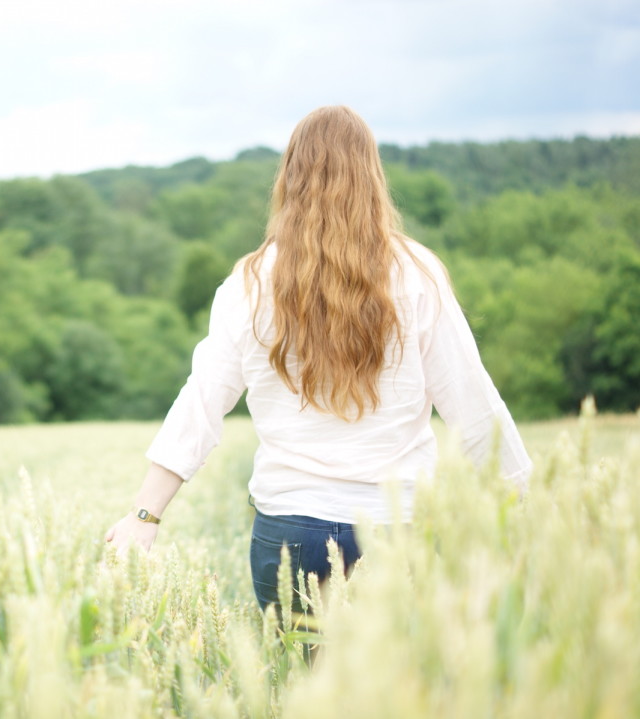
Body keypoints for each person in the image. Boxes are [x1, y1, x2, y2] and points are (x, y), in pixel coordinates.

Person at [104, 106, 532, 613]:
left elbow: (200, 405)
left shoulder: (249, 283)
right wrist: (525, 506)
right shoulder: (418, 275)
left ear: (289, 177)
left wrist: (144, 516)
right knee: (395, 692)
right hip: (397, 528)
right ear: (372, 177)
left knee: (302, 690)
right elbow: (473, 405)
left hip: (289, 534)